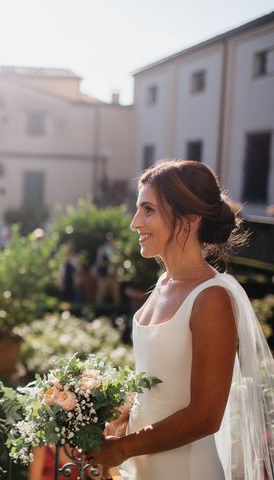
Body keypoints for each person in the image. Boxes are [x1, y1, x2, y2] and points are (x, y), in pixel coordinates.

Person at [86, 160, 274, 479]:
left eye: (148, 210)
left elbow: (206, 416)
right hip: (143, 464)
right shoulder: (162, 284)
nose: (135, 223)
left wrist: (122, 449)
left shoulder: (210, 298)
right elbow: (155, 379)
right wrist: (117, 415)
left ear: (189, 218)